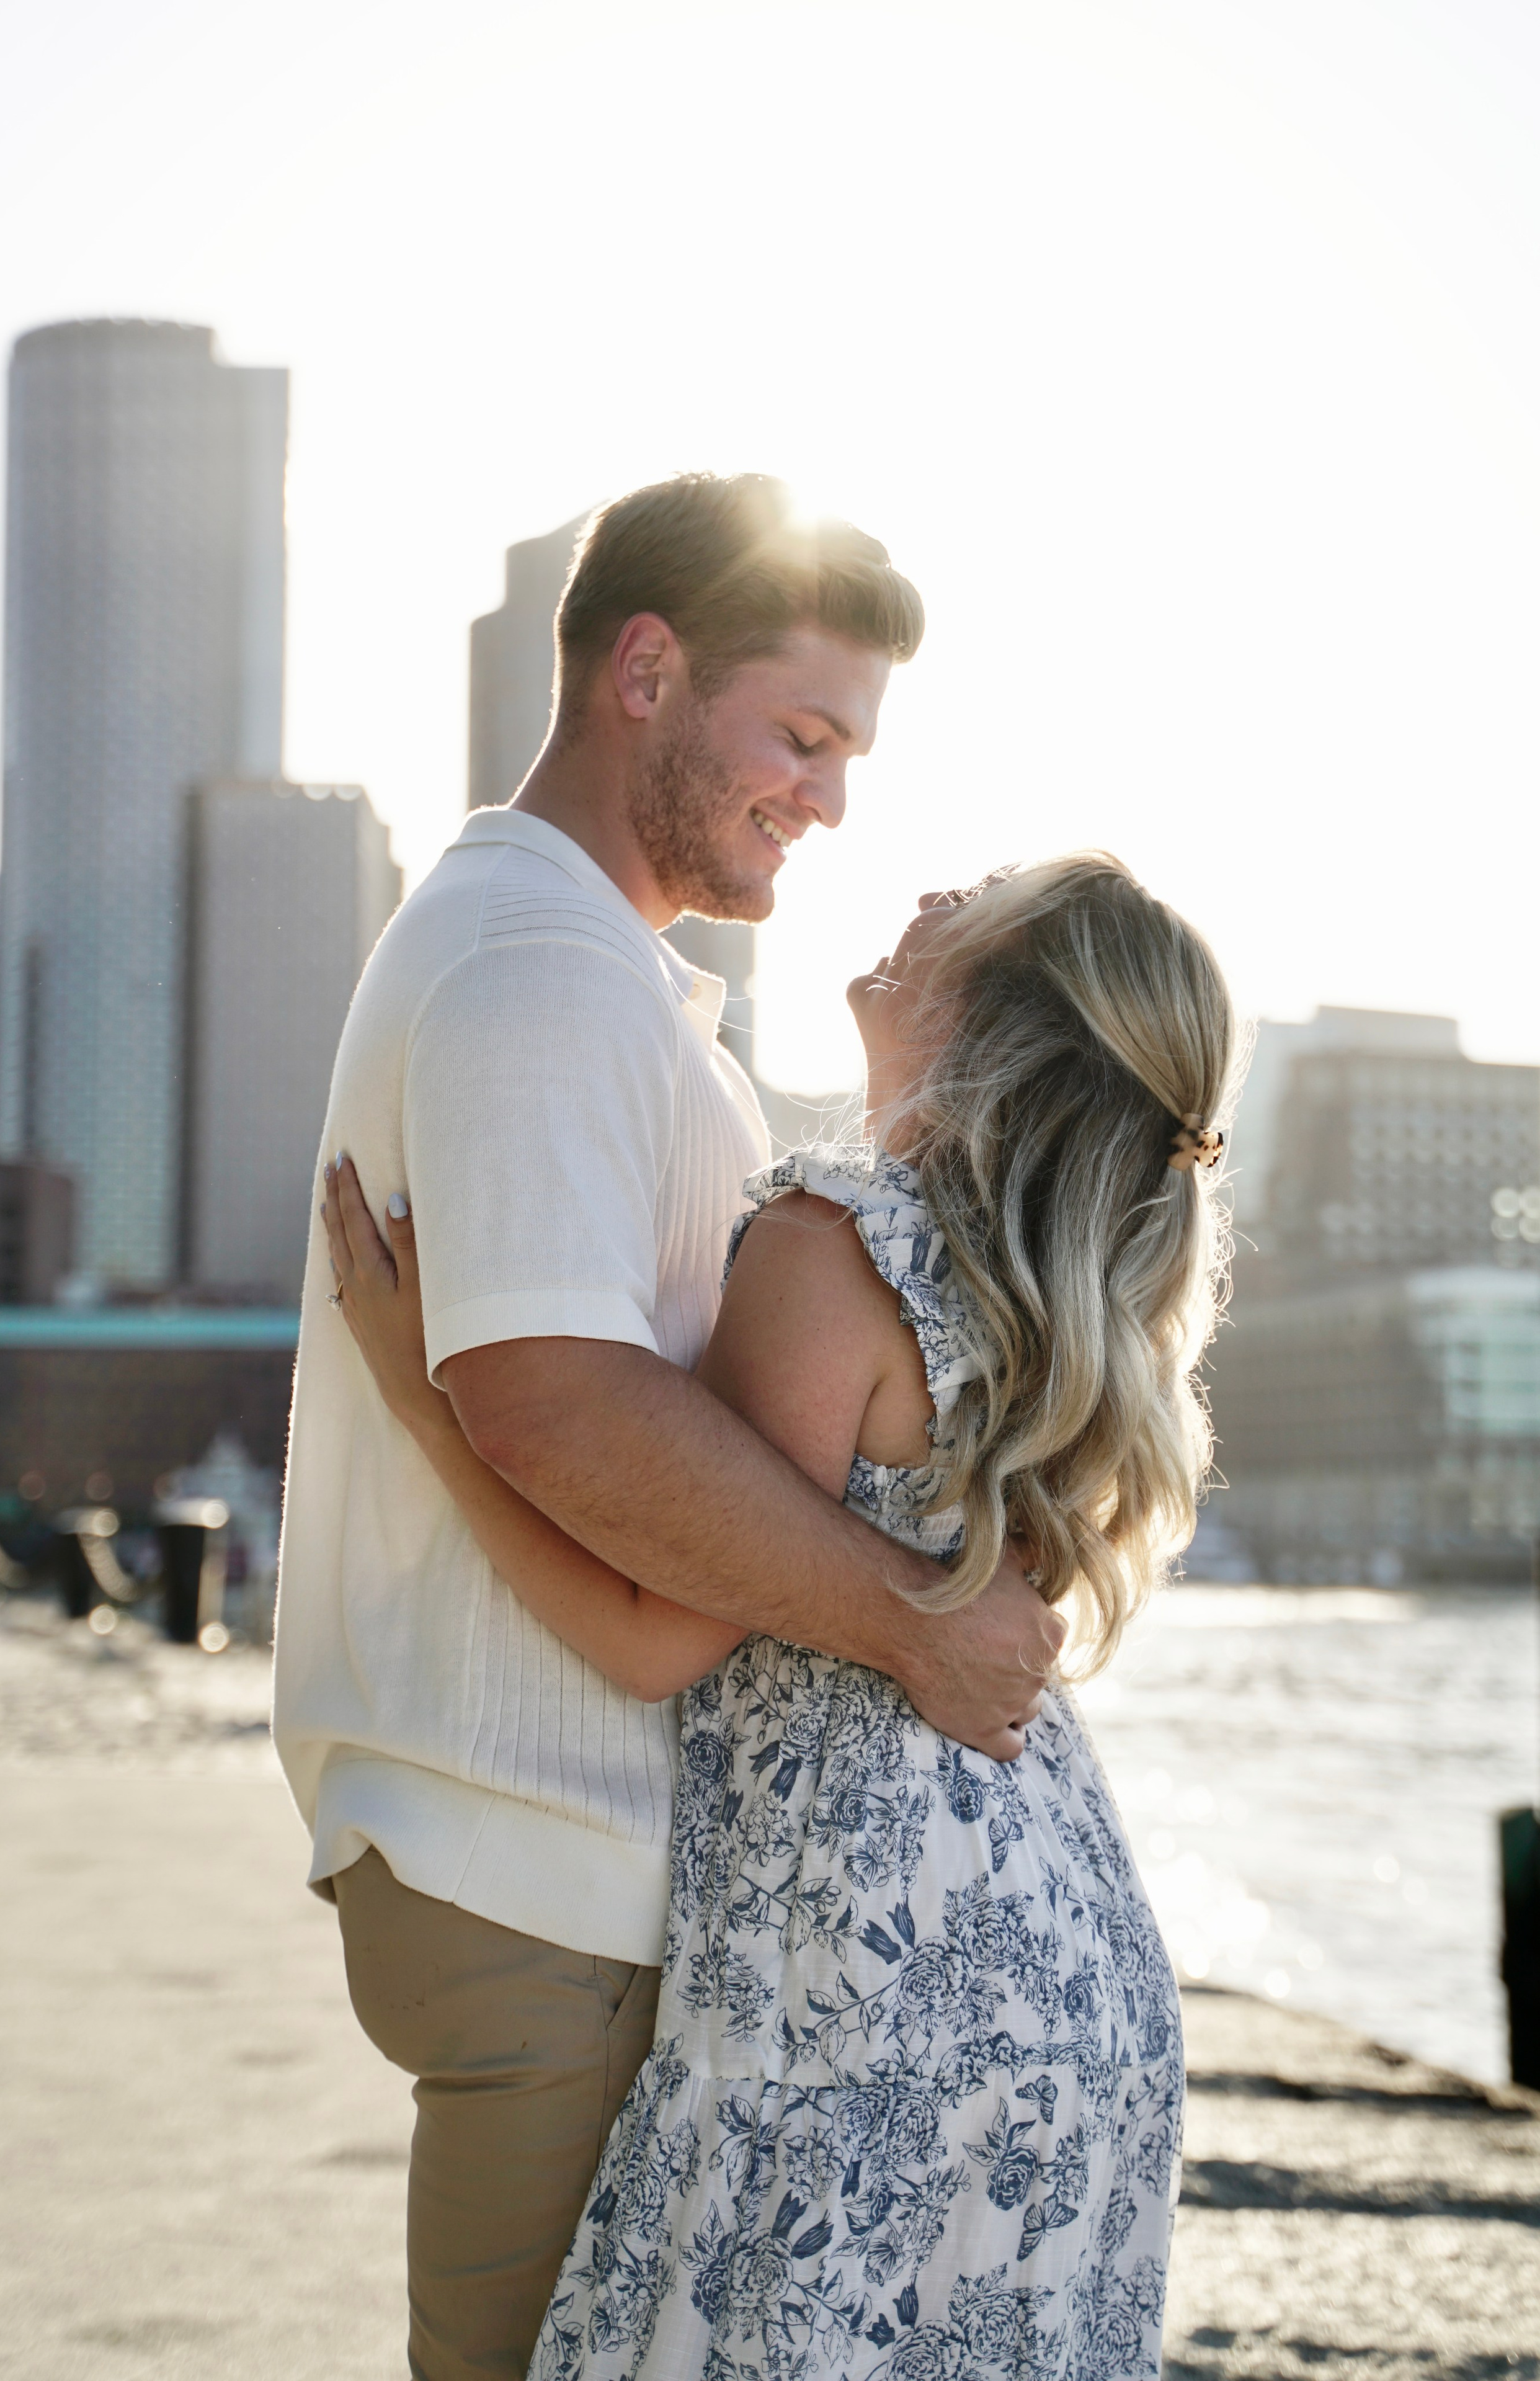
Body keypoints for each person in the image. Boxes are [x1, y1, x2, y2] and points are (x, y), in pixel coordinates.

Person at [272, 472, 1064, 2381]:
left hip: (566, 1870)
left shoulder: (588, 967)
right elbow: (555, 1400)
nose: (831, 797)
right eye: (802, 734)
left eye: (850, 752)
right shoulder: (539, 964)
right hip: (544, 1869)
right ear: (645, 672)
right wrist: (916, 1616)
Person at [323, 852, 1235, 2381]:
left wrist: (428, 1398)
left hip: (867, 1958)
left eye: (979, 895)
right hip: (1066, 1951)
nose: (932, 892)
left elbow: (653, 1635)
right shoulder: (1062, 1305)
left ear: (1005, 1012)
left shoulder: (832, 1243)